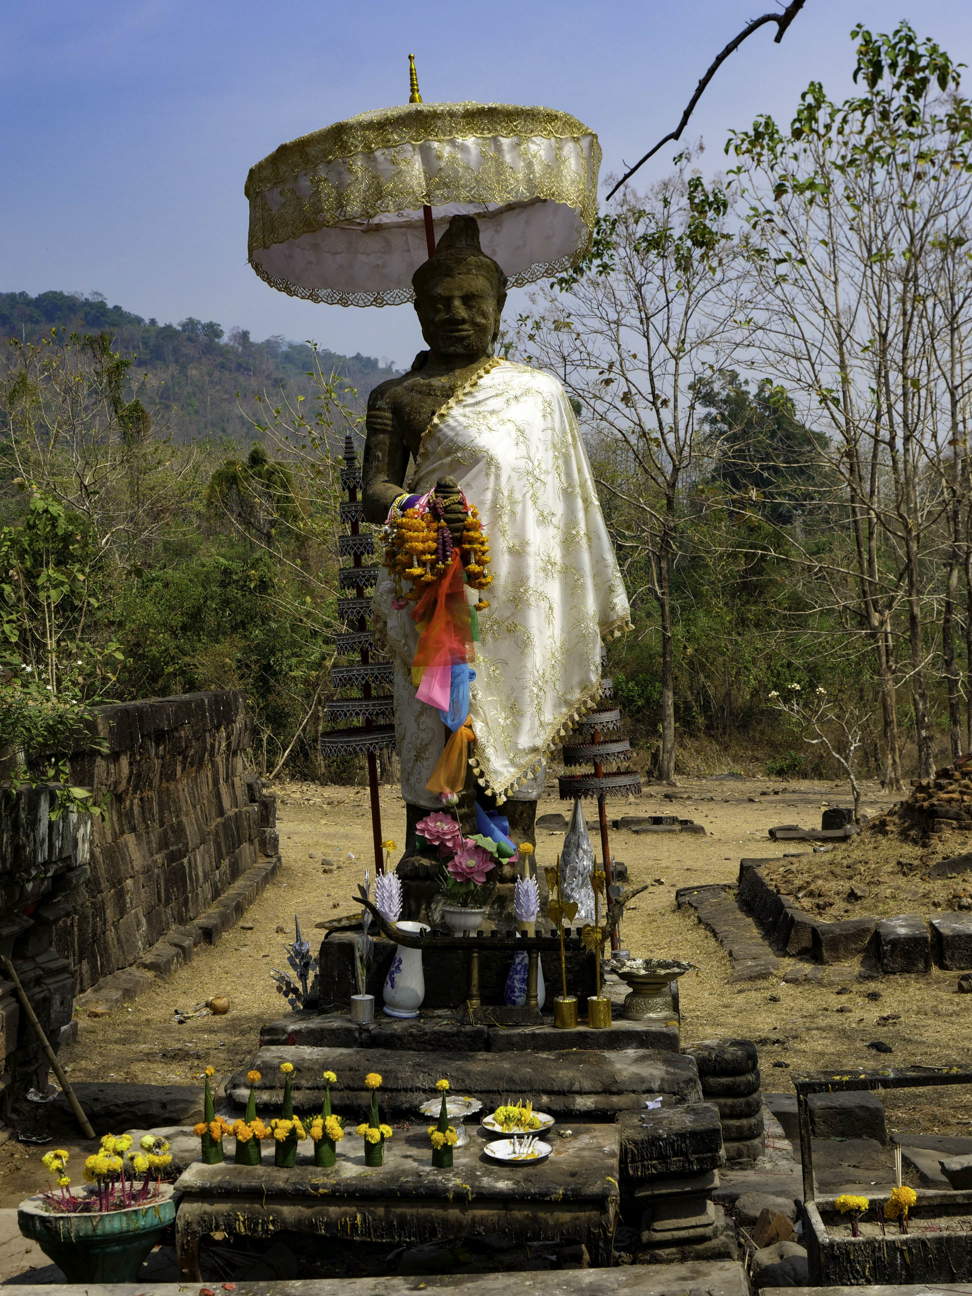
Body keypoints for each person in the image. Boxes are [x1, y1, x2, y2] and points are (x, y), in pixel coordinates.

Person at [364, 216, 629, 848]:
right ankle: (429, 864)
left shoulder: (538, 394)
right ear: (419, 313)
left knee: (513, 717)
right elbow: (376, 491)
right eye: (439, 304)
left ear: (499, 308)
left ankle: (515, 868)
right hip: (432, 588)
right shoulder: (396, 396)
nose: (456, 314)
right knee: (433, 724)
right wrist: (421, 510)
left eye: (471, 302)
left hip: (516, 594)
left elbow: (566, 505)